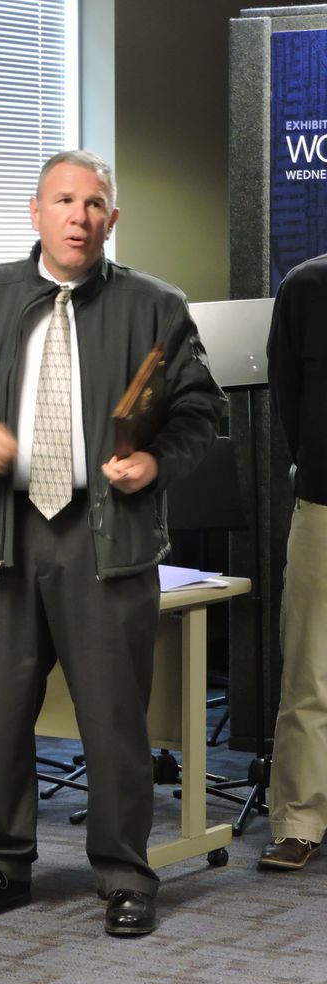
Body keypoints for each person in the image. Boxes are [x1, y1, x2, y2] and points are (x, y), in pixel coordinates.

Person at [0, 148, 225, 935]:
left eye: (93, 205)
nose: (78, 217)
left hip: (104, 535)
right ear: (35, 211)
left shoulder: (156, 305)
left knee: (114, 715)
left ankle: (125, 874)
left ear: (111, 220)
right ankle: (3, 862)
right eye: (63, 201)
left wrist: (155, 460)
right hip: (3, 537)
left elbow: (202, 412)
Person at [258, 253, 327, 872]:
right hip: (324, 506)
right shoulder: (305, 286)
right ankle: (300, 821)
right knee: (309, 669)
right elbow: (290, 401)